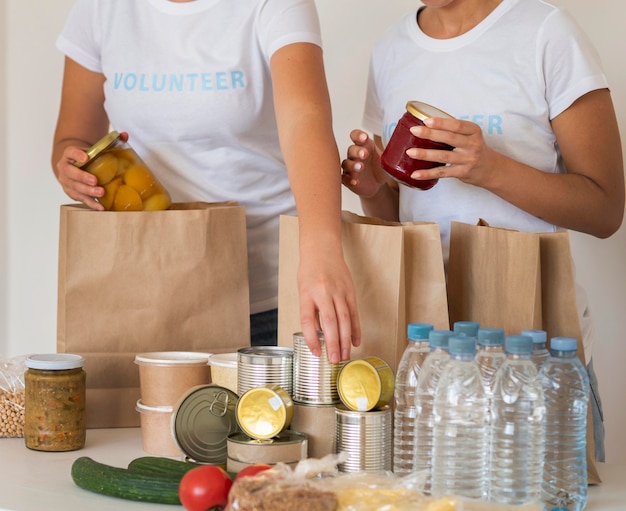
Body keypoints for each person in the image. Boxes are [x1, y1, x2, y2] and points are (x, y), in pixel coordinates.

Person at [341, 0, 624, 461]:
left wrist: (489, 168)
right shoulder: (391, 48)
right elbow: (400, 217)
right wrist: (372, 189)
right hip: (428, 361)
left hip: (533, 360)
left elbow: (606, 209)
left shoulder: (545, 32)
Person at [51, 0, 361, 364]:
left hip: (266, 296)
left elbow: (304, 121)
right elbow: (73, 138)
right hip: (147, 289)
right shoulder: (102, 8)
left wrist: (321, 250)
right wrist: (71, 167)